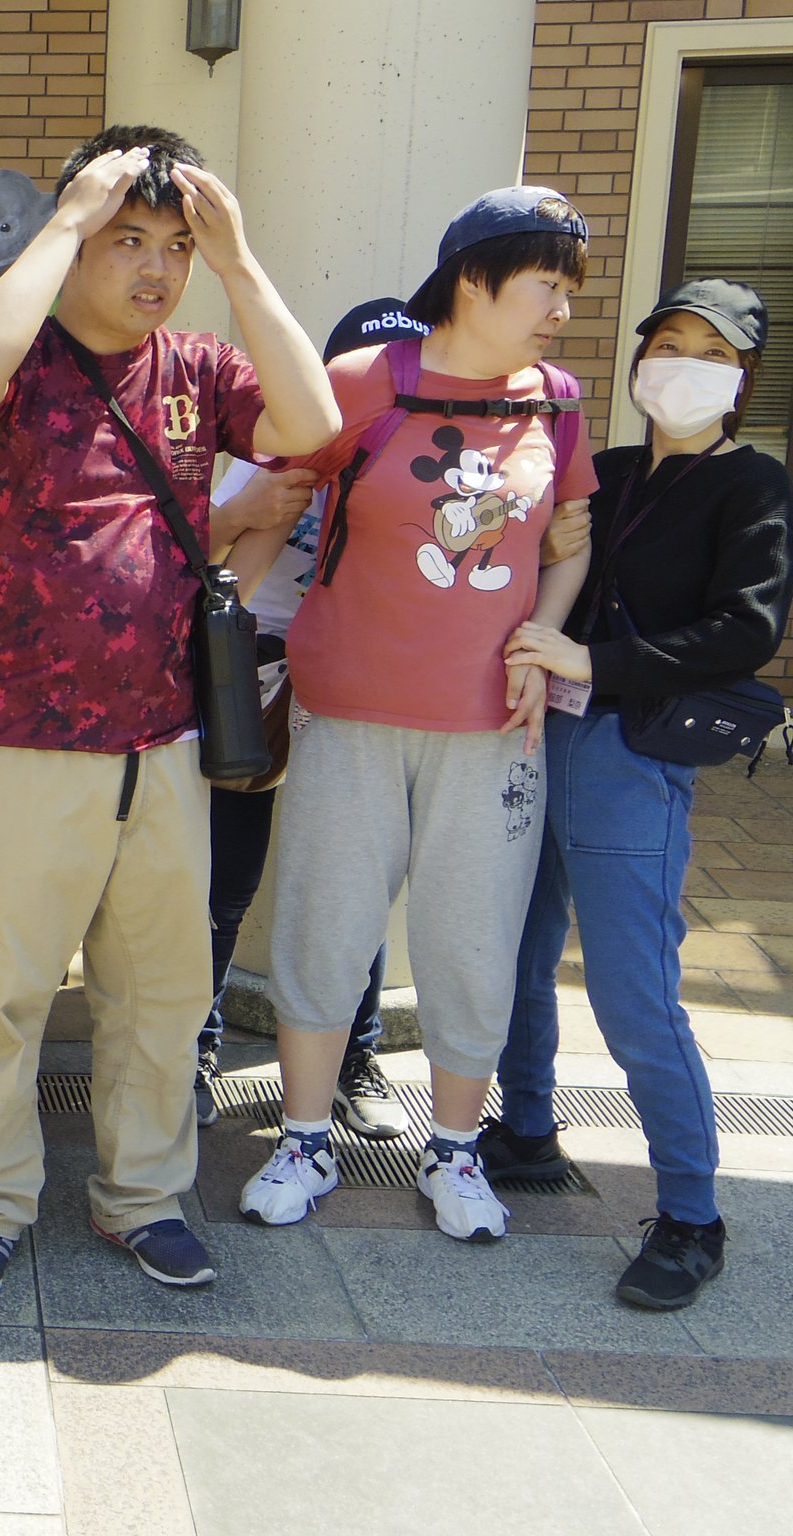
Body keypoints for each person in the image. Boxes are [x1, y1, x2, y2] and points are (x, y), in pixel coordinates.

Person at [0, 124, 341, 1303]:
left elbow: (310, 428)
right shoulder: (16, 352)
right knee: (0, 990)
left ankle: (142, 1197)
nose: (156, 268)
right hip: (17, 740)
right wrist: (64, 218)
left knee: (159, 994)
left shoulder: (198, 368)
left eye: (175, 246)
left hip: (160, 742)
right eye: (128, 240)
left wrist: (240, 259)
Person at [234, 187, 596, 1243]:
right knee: (322, 925)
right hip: (346, 711)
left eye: (568, 291)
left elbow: (568, 541)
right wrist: (207, 633)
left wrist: (541, 637)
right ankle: (304, 1140)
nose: (562, 310)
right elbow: (273, 508)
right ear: (473, 280)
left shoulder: (557, 401)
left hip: (491, 728)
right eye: (546, 286)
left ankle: (453, 1151)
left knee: (472, 940)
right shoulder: (362, 381)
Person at [490, 279, 792, 1308]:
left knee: (631, 993)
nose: (682, 364)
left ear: (742, 378)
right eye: (668, 342)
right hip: (536, 739)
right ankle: (525, 1126)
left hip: (630, 754)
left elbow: (744, 631)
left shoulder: (752, 485)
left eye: (710, 351)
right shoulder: (607, 469)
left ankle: (692, 1216)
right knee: (518, 951)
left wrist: (595, 662)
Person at [197, 299, 435, 1142]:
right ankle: (197, 1045)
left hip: (363, 687)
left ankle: (352, 1059)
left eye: (403, 377)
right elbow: (207, 568)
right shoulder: (278, 456)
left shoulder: (431, 473)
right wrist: (254, 509)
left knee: (356, 883)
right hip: (255, 682)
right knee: (223, 882)